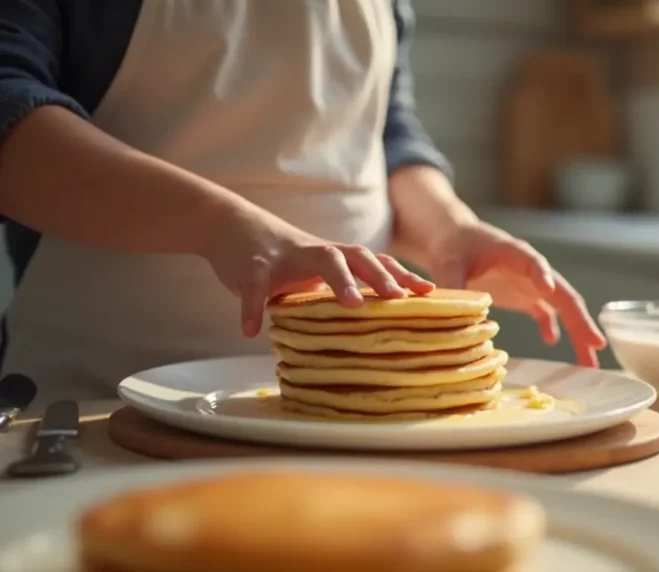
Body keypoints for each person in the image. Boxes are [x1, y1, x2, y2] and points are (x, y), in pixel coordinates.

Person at [0, 0, 606, 404]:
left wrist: (449, 227)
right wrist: (223, 224)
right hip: (94, 403)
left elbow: (383, 134)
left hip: (352, 411)